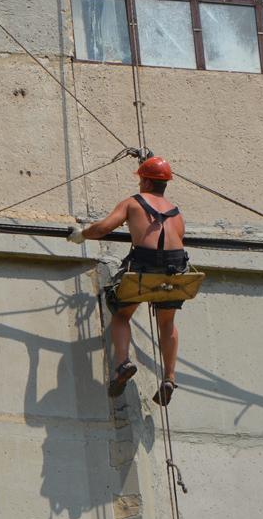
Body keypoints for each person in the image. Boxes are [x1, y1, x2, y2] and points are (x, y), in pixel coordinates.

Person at [67, 156, 186, 405]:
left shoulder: (134, 202)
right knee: (167, 322)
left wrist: (82, 235)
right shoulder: (176, 212)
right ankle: (169, 377)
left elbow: (102, 229)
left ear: (144, 180)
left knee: (121, 312)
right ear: (165, 184)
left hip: (144, 266)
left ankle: (123, 363)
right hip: (176, 268)